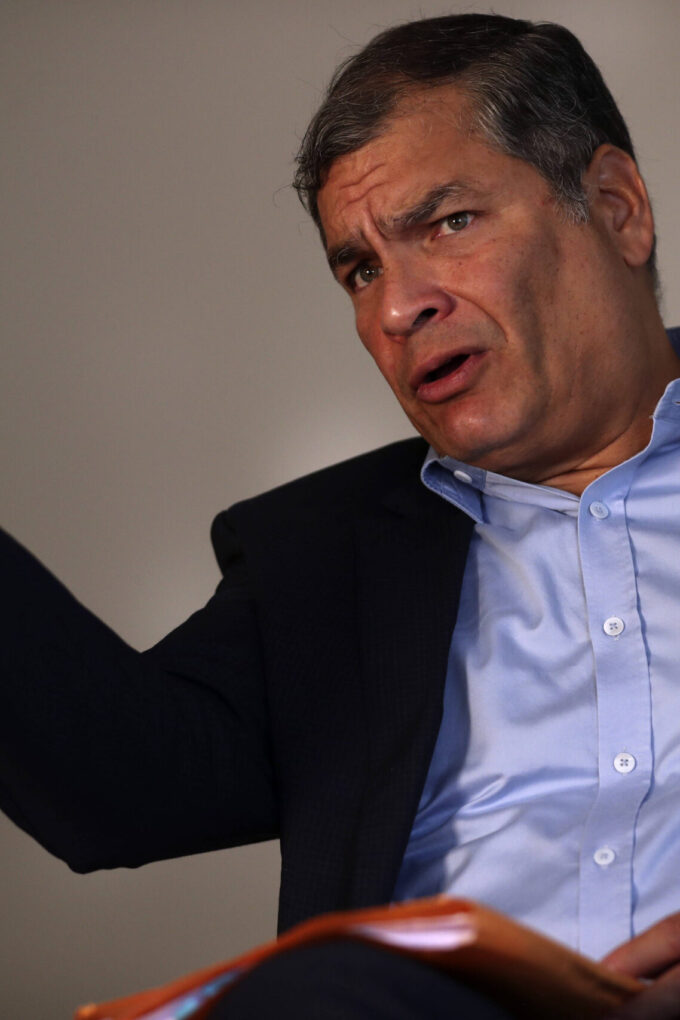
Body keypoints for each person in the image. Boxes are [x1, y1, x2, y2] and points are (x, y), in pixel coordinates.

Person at [2, 12, 680, 1018]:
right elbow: (113, 789)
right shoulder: (322, 560)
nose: (397, 307)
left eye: (448, 224)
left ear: (616, 209)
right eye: (360, 269)